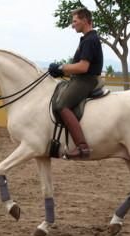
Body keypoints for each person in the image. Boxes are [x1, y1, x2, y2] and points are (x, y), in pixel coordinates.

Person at [48, 7, 103, 159]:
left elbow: (83, 67)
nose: (73, 25)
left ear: (85, 20)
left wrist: (61, 68)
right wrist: (62, 71)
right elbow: (77, 66)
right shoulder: (86, 39)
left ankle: (82, 147)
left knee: (61, 105)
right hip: (80, 78)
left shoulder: (90, 40)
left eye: (75, 21)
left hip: (86, 80)